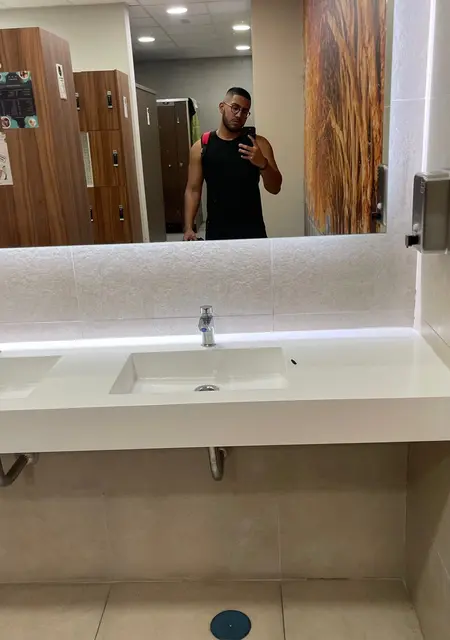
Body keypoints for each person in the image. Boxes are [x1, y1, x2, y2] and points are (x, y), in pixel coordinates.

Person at [183, 87, 282, 241]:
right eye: (235, 108)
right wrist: (189, 227)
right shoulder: (202, 146)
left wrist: (263, 163)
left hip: (252, 232)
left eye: (245, 111)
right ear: (222, 107)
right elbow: (193, 190)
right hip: (217, 232)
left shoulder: (258, 144)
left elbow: (275, 188)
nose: (239, 115)